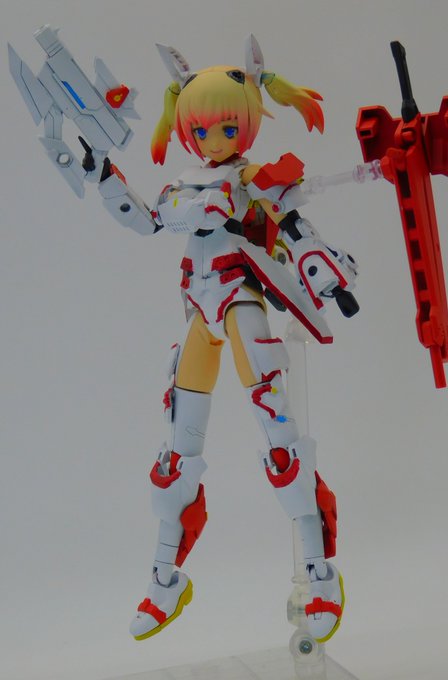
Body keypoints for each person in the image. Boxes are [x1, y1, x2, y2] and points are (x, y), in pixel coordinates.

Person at [87, 35, 358, 643]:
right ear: (188, 128)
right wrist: (101, 175)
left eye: (227, 128)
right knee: (176, 453)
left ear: (247, 123)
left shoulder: (252, 177)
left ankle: (319, 573)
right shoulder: (183, 183)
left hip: (239, 301)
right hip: (199, 311)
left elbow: (293, 221)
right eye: (203, 129)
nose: (214, 139)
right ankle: (165, 579)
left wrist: (322, 266)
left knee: (279, 433)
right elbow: (145, 220)